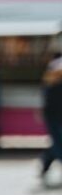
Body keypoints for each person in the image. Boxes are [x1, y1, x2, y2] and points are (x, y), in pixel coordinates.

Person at [40, 53, 62, 181]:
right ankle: (46, 164)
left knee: (57, 144)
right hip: (55, 119)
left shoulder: (50, 87)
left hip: (55, 119)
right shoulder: (52, 87)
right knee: (58, 144)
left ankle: (46, 163)